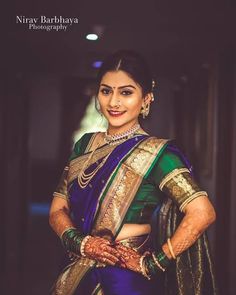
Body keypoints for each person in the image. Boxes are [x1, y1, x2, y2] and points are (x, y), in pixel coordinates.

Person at [49, 50, 217, 295]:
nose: (114, 102)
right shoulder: (83, 146)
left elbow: (203, 212)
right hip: (77, 272)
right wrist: (82, 243)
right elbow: (57, 210)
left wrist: (153, 262)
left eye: (126, 92)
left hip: (124, 279)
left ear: (146, 99)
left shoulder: (158, 153)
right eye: (106, 91)